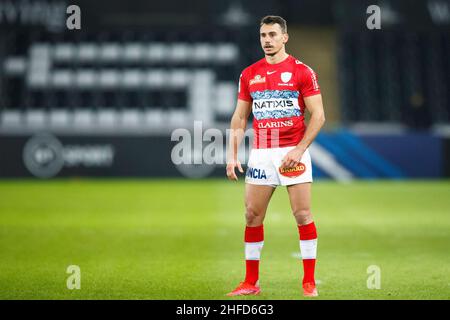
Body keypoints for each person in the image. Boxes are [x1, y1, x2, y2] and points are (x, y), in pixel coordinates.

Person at [226, 15, 325, 297]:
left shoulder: (302, 71)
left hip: (293, 151)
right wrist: (232, 154)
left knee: (303, 214)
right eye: (263, 36)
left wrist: (300, 149)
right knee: (251, 215)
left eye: (272, 35)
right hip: (262, 152)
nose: (267, 40)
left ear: (284, 38)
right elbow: (240, 116)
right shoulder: (249, 74)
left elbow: (318, 115)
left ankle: (308, 281)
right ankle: (250, 282)